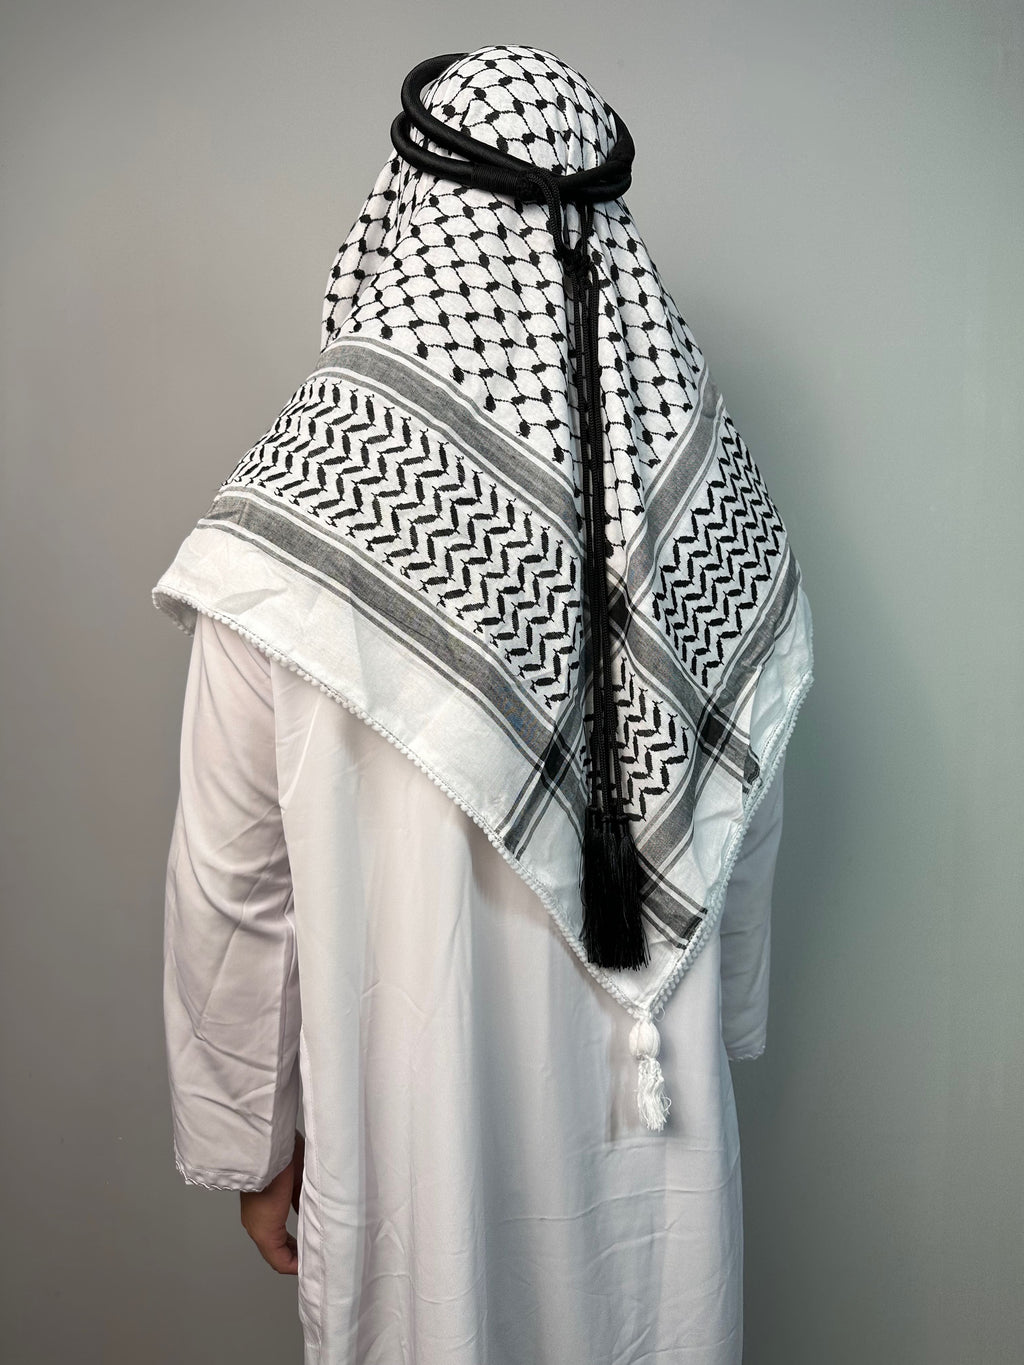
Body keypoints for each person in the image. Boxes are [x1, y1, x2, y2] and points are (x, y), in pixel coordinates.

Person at [153, 44, 814, 1365]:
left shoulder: (289, 532)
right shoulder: (709, 517)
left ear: (410, 217)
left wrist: (249, 1139)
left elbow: (235, 878)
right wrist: (725, 1018)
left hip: (415, 1173)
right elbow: (740, 830)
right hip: (655, 1144)